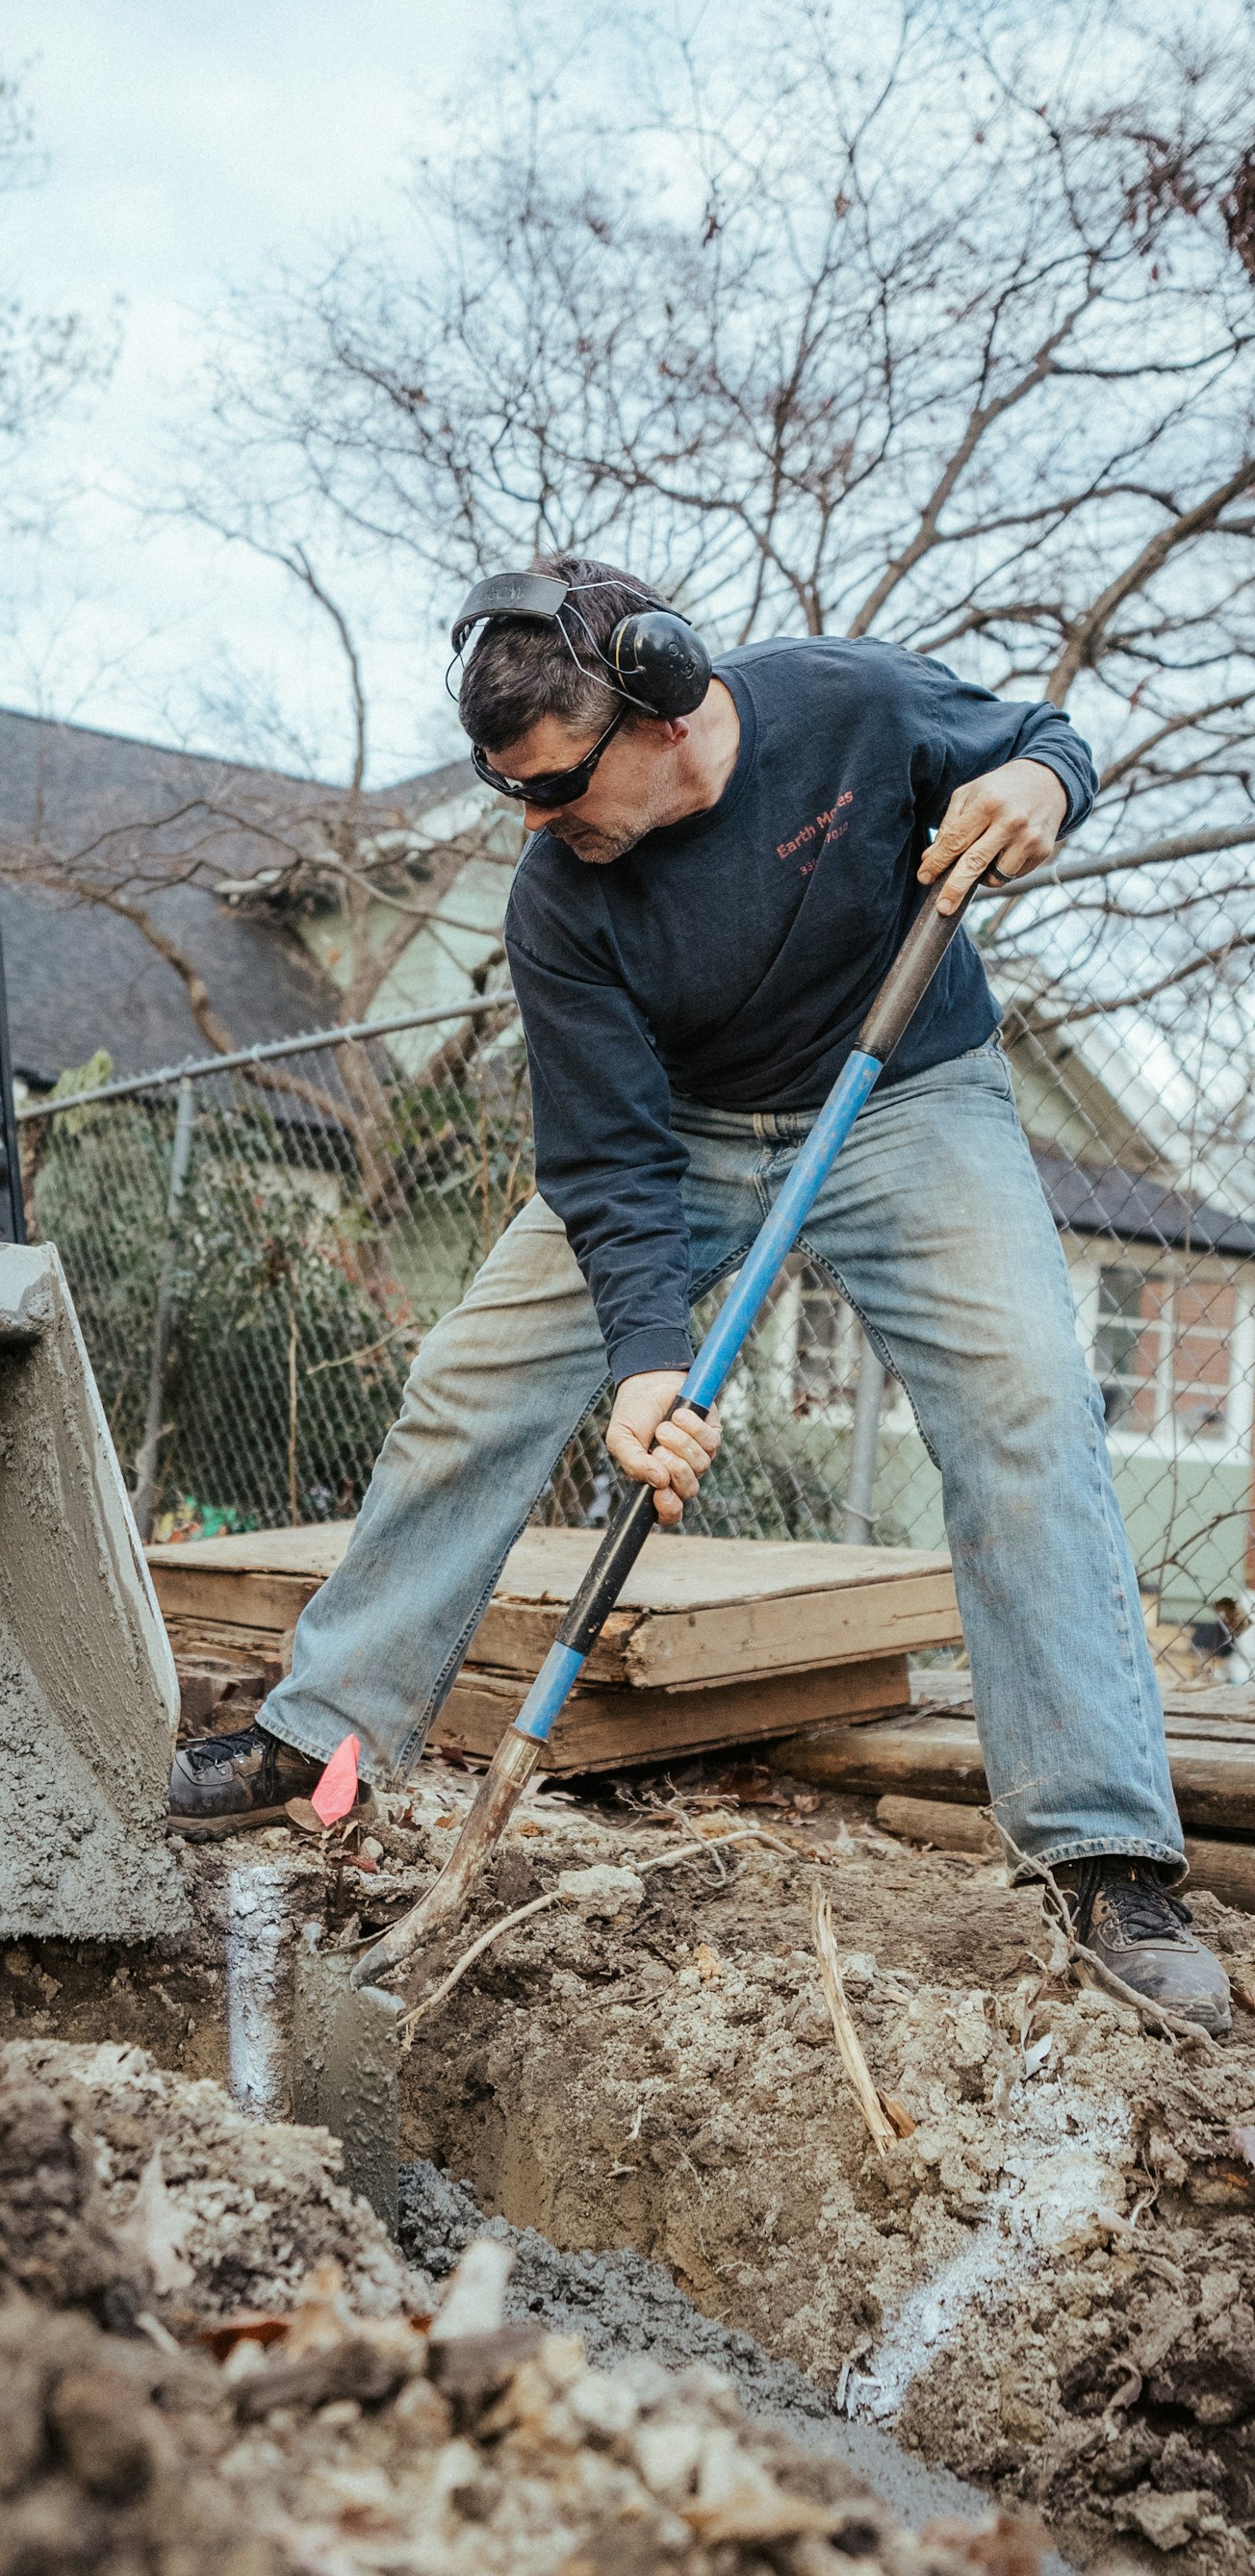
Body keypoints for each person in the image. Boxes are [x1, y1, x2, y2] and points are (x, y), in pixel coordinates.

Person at [168, 555, 1230, 2037]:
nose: (537, 827)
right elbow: (604, 1159)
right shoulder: (559, 901)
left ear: (662, 708)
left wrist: (1047, 784)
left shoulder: (849, 705)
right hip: (678, 1132)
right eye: (512, 798)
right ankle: (323, 1734)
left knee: (1029, 1413)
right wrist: (647, 1366)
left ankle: (1106, 1852)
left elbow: (1040, 740)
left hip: (907, 1098)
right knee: (470, 1383)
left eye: (555, 787)